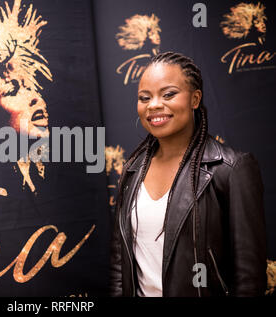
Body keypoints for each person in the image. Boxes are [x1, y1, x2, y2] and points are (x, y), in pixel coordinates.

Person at [109, 51, 267, 297]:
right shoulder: (132, 171)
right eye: (144, 97)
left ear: (195, 99)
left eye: (169, 94)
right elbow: (120, 265)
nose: (154, 105)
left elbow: (248, 279)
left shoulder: (231, 168)